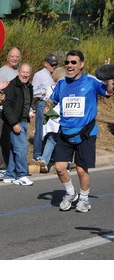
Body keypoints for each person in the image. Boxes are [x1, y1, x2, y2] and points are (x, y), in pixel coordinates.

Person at [48, 50, 113, 212]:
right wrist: (50, 113)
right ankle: (71, 194)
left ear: (81, 65)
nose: (70, 65)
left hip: (86, 133)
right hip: (65, 132)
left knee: (81, 169)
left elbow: (109, 91)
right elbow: (50, 101)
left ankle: (84, 199)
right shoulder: (62, 83)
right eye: (68, 62)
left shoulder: (91, 81)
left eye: (74, 62)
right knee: (60, 168)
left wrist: (110, 76)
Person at [1, 63, 34, 186]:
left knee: (15, 149)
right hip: (16, 122)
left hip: (24, 120)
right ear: (18, 72)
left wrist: (29, 111)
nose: (25, 75)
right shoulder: (12, 86)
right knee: (22, 148)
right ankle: (21, 174)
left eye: (27, 72)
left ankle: (10, 174)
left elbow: (26, 103)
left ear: (30, 74)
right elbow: (6, 106)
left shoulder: (29, 87)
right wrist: (14, 123)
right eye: (23, 72)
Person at [0, 46, 21, 179]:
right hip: (3, 111)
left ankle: (12, 166)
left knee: (14, 140)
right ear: (8, 57)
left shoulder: (19, 71)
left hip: (16, 112)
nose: (15, 58)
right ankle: (1, 167)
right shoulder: (2, 72)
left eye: (17, 56)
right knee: (4, 139)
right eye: (12, 56)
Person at [40, 67, 67, 173]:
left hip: (49, 118)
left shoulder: (49, 88)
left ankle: (44, 161)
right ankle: (62, 163)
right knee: (62, 141)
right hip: (58, 118)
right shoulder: (63, 89)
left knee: (50, 140)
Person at [32, 53, 58, 162]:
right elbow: (33, 91)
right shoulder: (39, 75)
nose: (54, 66)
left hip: (53, 105)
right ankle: (37, 154)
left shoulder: (55, 74)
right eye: (52, 64)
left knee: (52, 129)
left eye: (56, 64)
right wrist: (45, 92)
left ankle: (49, 154)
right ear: (45, 64)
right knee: (40, 129)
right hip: (42, 103)